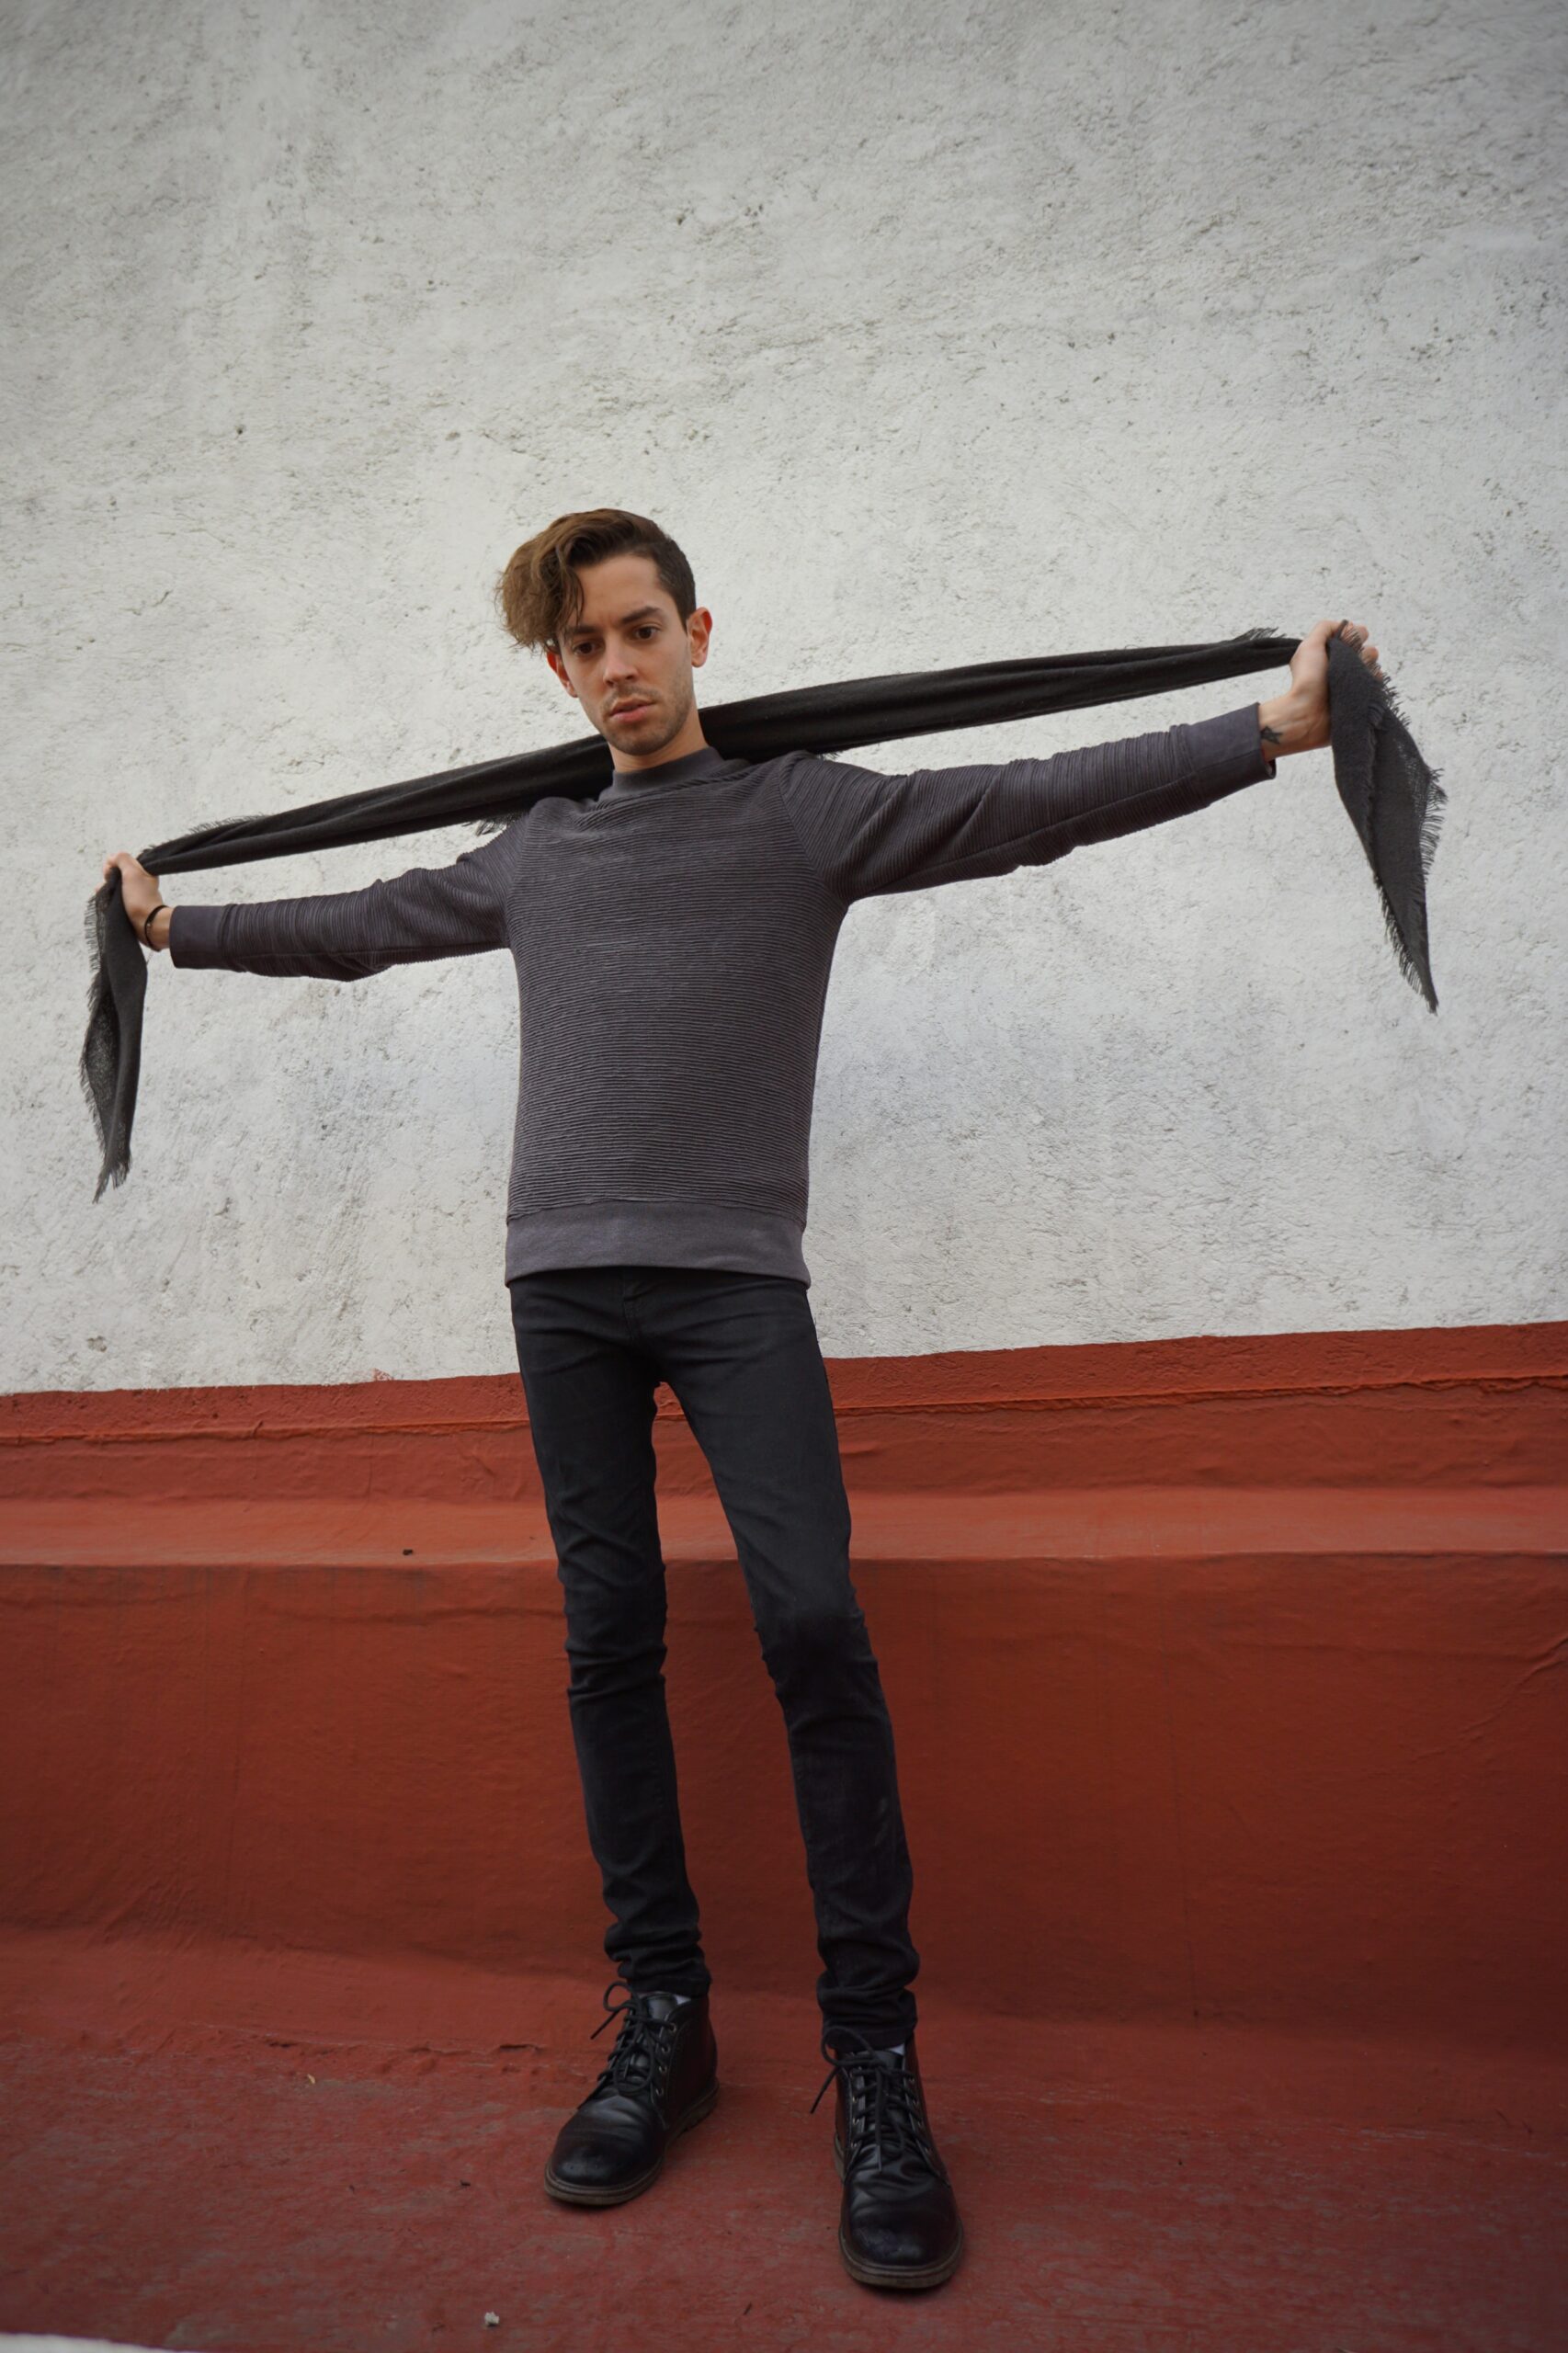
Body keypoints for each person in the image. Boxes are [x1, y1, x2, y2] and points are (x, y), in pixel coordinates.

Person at [103, 509, 1384, 2291]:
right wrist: (181, 930)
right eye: (583, 646)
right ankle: (666, 2017)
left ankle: (877, 2058)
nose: (616, 667)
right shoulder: (538, 848)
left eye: (640, 629)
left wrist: (1265, 729)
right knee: (607, 1635)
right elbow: (366, 921)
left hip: (731, 1287)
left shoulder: (803, 814)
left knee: (811, 1623)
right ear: (557, 668)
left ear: (696, 631)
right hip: (560, 1287)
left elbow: (1022, 799)